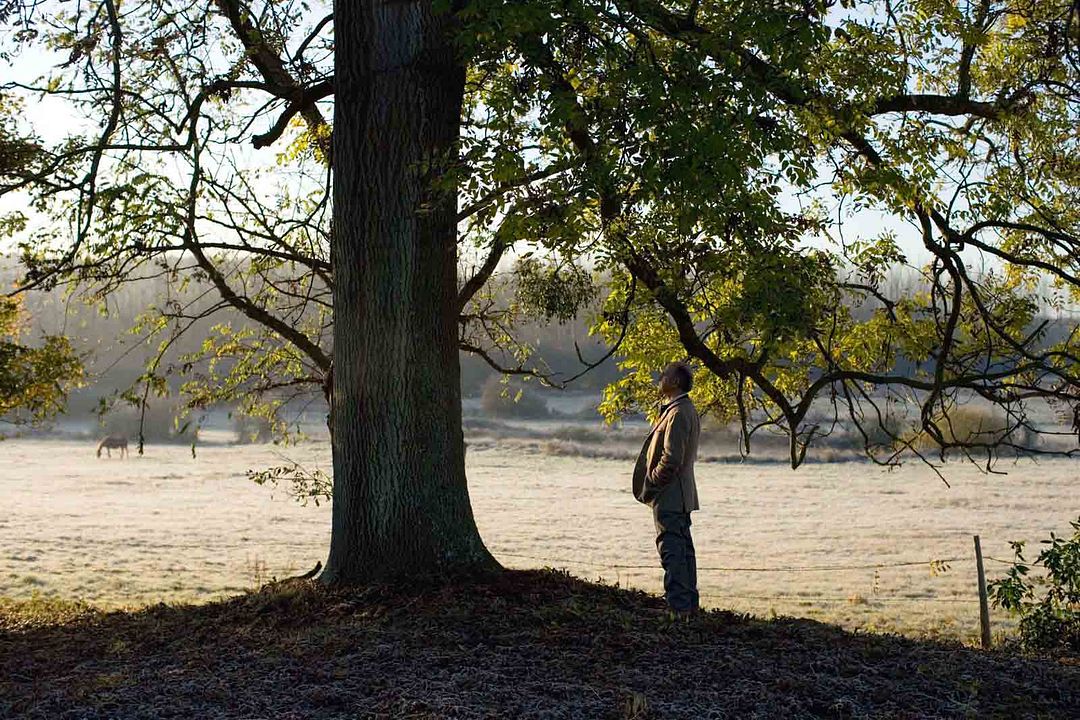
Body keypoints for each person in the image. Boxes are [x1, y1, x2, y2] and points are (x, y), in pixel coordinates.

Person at [632, 362, 701, 616]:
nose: (659, 378)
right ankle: (688, 606)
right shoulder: (679, 409)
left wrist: (653, 483)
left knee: (672, 549)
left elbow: (672, 458)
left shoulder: (679, 412)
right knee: (682, 550)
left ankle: (678, 607)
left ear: (675, 382)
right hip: (677, 494)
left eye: (664, 375)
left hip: (671, 495)